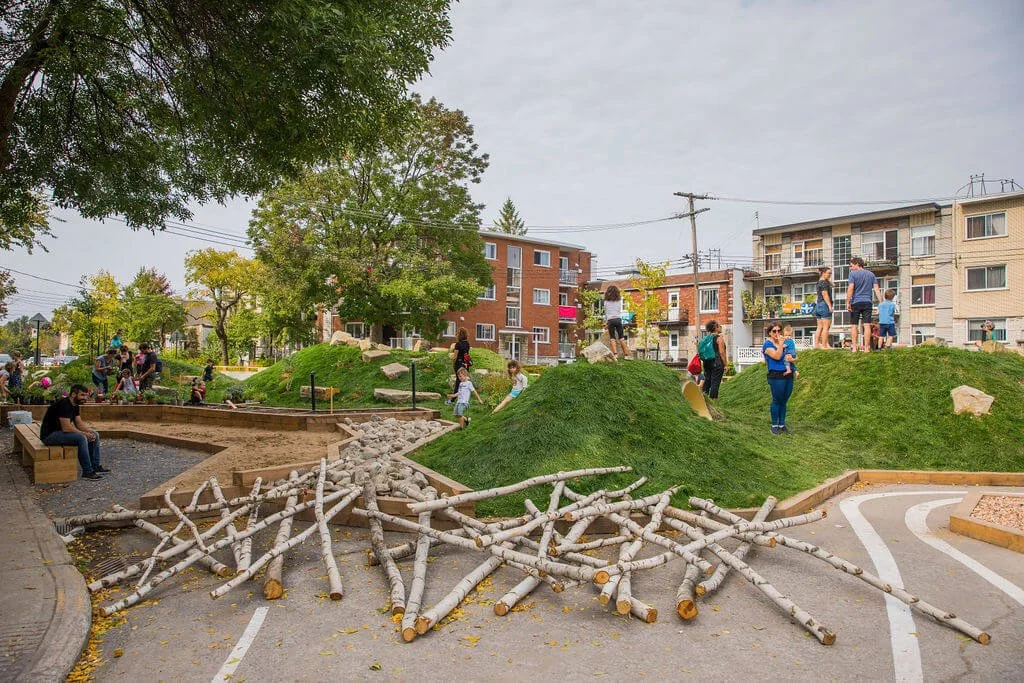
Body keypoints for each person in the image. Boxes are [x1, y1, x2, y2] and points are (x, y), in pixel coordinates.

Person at [40, 384, 108, 480]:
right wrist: (84, 434)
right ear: (73, 395)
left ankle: (95, 466)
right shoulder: (64, 404)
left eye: (86, 395)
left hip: (60, 433)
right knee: (81, 438)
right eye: (82, 395)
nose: (85, 398)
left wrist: (90, 432)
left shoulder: (75, 405)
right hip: (50, 435)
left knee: (95, 434)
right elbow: (66, 427)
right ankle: (87, 471)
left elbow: (79, 424)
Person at [762, 323, 796, 435]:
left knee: (784, 401)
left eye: (779, 331)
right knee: (777, 400)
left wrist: (793, 359)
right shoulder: (767, 345)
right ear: (769, 333)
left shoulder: (786, 343)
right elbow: (776, 356)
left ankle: (782, 425)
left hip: (788, 375)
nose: (777, 333)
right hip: (776, 376)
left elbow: (795, 357)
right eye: (774, 331)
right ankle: (774, 425)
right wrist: (781, 344)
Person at [846, 256, 883, 353]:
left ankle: (854, 347)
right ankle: (867, 348)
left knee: (854, 325)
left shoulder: (853, 274)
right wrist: (881, 303)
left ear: (857, 264)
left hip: (856, 302)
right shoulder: (871, 274)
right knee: (867, 325)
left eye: (852, 265)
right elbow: (876, 290)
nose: (851, 268)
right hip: (867, 302)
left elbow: (851, 288)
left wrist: (847, 301)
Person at [698, 320, 728, 399]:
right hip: (717, 363)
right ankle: (714, 402)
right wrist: (725, 365)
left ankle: (703, 400)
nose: (721, 327)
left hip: (706, 363)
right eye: (719, 325)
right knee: (715, 383)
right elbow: (722, 353)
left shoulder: (705, 338)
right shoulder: (719, 338)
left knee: (707, 382)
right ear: (716, 327)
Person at [603, 285, 627, 361]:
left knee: (612, 338)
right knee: (621, 338)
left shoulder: (606, 302)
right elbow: (618, 310)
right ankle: (626, 355)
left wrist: (606, 323)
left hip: (610, 320)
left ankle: (615, 354)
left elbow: (607, 313)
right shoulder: (619, 301)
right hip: (618, 320)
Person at [448, 327, 472, 402]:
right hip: (466, 364)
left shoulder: (458, 344)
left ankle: (452, 400)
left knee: (458, 381)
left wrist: (452, 360)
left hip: (459, 364)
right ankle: (464, 397)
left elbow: (455, 356)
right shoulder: (467, 344)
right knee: (464, 380)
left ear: (459, 335)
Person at [814, 266, 834, 349]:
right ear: (823, 273)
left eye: (831, 273)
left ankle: (817, 345)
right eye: (829, 273)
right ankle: (825, 345)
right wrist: (829, 306)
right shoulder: (824, 283)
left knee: (819, 327)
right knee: (826, 327)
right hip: (824, 304)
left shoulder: (820, 282)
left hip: (818, 305)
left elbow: (833, 285)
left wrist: (827, 278)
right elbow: (825, 295)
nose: (830, 275)